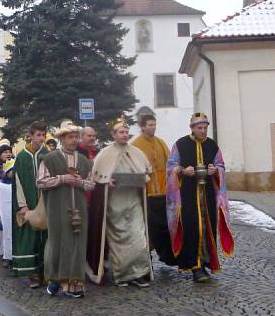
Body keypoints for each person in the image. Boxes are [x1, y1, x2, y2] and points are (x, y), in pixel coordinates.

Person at [167, 113, 235, 282]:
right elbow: (171, 167)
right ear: (192, 128)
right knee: (193, 228)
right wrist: (182, 171)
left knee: (207, 228)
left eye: (205, 128)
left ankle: (205, 262)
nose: (203, 131)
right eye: (200, 128)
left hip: (208, 196)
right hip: (188, 196)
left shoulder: (212, 145)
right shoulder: (180, 144)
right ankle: (196, 267)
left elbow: (221, 165)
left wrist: (215, 170)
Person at [87, 119, 153, 287]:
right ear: (113, 135)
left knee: (139, 238)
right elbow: (97, 177)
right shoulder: (105, 154)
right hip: (115, 205)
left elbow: (146, 174)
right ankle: (123, 275)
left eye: (126, 132)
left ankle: (138, 273)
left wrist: (141, 179)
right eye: (120, 132)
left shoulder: (136, 152)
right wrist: (106, 182)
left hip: (133, 202)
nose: (124, 135)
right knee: (119, 242)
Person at [37, 121, 95, 298]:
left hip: (79, 209)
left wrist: (80, 182)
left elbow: (92, 184)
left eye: (76, 137)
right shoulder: (50, 159)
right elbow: (40, 182)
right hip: (58, 208)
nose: (74, 140)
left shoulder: (85, 161)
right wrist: (62, 179)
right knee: (60, 243)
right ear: (62, 139)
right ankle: (56, 280)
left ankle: (74, 284)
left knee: (78, 244)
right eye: (70, 137)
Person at [131, 114, 176, 266]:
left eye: (154, 124)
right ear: (142, 127)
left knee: (164, 226)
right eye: (149, 125)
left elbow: (170, 164)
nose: (153, 127)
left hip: (163, 193)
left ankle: (167, 255)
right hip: (147, 194)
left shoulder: (161, 143)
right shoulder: (136, 145)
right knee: (148, 228)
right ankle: (146, 258)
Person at [13, 121, 48, 287]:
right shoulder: (21, 156)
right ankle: (33, 274)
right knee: (30, 238)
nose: (41, 138)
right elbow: (18, 181)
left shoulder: (47, 153)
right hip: (29, 202)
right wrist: (22, 204)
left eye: (43, 135)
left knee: (46, 237)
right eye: (38, 135)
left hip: (44, 203)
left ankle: (46, 271)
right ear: (31, 135)